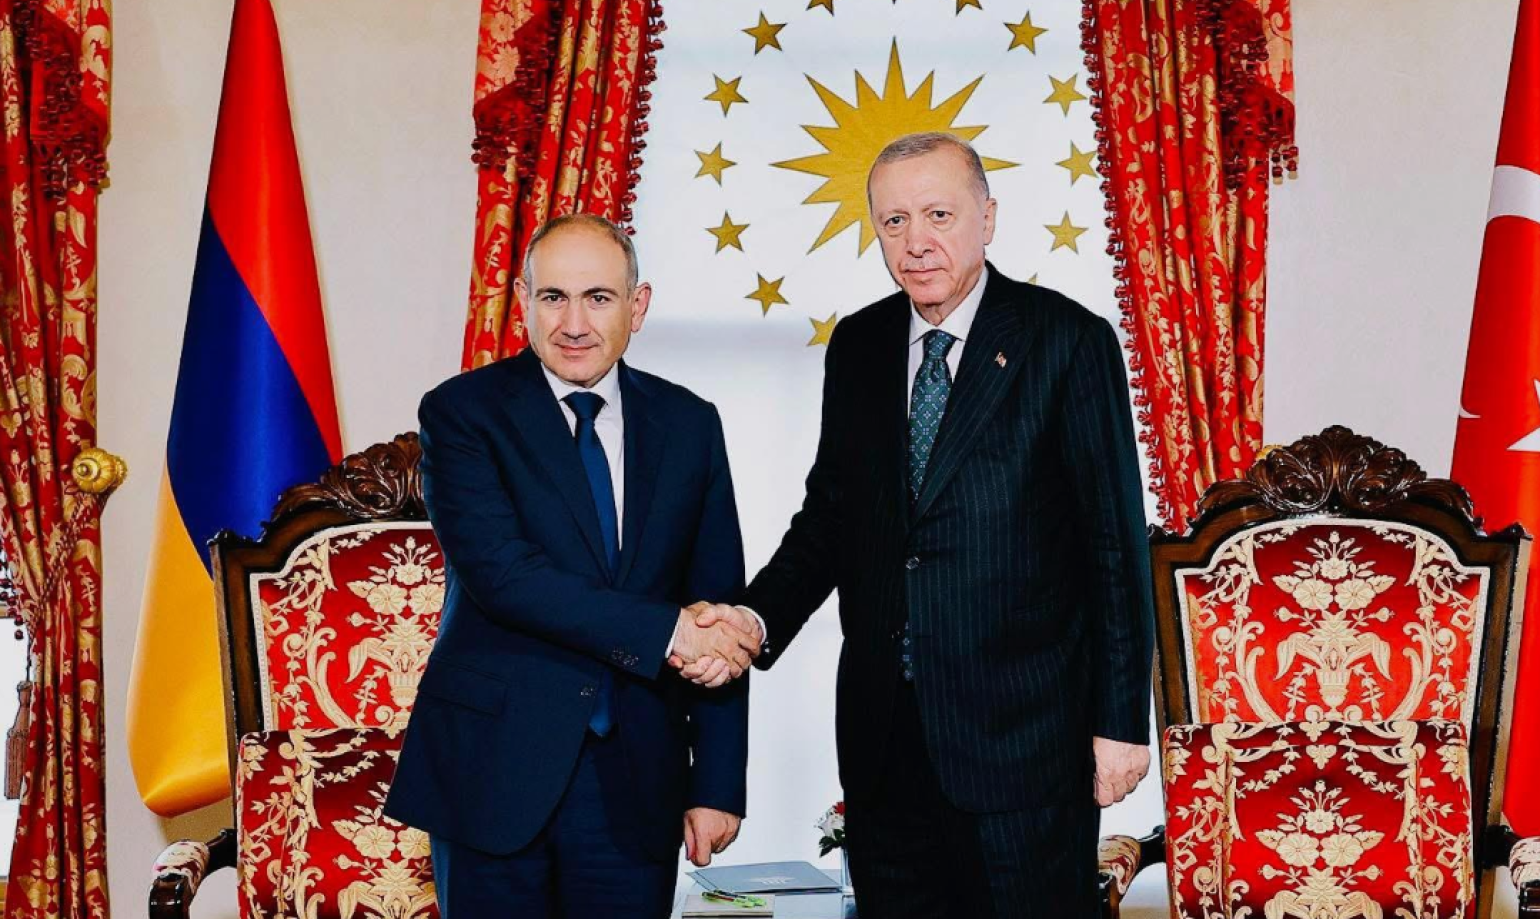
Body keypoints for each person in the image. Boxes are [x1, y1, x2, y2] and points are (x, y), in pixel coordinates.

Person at [684, 132, 1156, 916]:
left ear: (987, 218)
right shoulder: (860, 345)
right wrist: (752, 618)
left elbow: (1114, 544)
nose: (916, 241)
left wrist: (1120, 724)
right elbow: (832, 518)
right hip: (884, 747)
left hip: (1024, 748)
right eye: (894, 221)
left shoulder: (1066, 341)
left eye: (939, 214)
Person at [386, 213, 758, 918]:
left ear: (637, 306)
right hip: (493, 772)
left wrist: (716, 783)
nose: (574, 323)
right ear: (523, 300)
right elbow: (505, 577)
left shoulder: (690, 423)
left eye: (599, 297)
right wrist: (671, 632)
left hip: (638, 781)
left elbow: (716, 605)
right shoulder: (463, 412)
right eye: (554, 297)